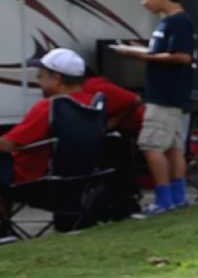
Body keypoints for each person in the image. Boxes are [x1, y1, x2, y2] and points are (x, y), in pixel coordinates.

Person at [113, 0, 195, 212]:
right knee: (172, 147)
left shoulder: (179, 21)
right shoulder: (168, 21)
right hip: (168, 96)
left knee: (150, 146)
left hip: (164, 96)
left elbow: (182, 56)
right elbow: (164, 51)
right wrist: (137, 50)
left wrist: (140, 56)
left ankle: (163, 200)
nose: (143, 3)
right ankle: (177, 197)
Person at [2, 48, 136, 185]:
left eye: (40, 75)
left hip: (35, 177)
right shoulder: (93, 104)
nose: (38, 81)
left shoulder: (50, 106)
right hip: (84, 175)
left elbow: (8, 144)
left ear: (56, 78)